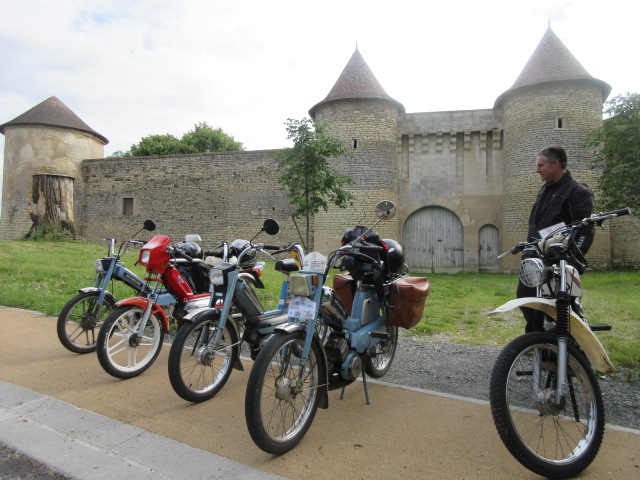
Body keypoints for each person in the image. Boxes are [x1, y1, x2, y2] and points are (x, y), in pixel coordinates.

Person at [518, 146, 595, 332]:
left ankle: (568, 350)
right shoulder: (545, 189)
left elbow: (585, 230)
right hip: (536, 258)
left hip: (558, 262)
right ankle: (538, 342)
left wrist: (570, 261)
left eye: (541, 165)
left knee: (561, 307)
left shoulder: (577, 191)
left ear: (556, 164)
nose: (537, 170)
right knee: (526, 297)